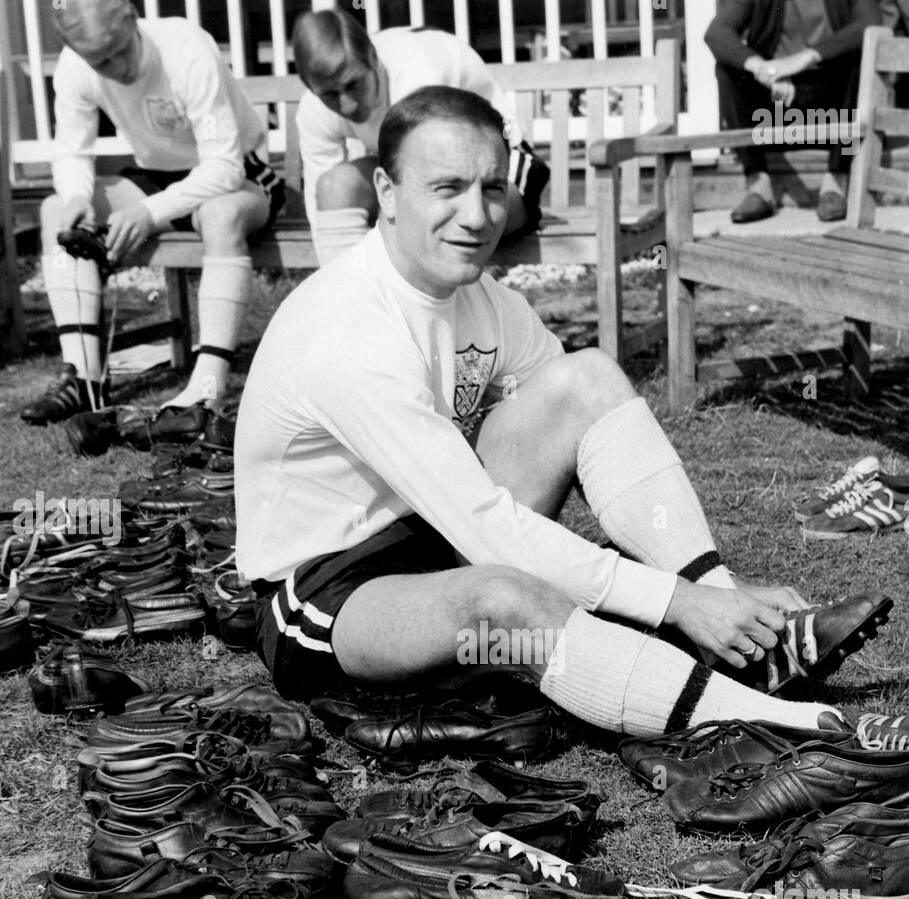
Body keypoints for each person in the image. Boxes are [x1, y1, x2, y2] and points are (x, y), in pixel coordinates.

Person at [235, 85, 865, 742]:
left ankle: (740, 636)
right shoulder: (349, 330)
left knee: (586, 378)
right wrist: (675, 603)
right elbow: (489, 533)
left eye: (491, 188)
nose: (476, 215)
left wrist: (703, 589)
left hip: (429, 529)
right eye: (445, 188)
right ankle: (787, 724)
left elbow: (585, 421)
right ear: (387, 193)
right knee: (506, 599)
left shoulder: (477, 296)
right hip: (327, 592)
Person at [21, 0, 285, 426]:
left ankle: (208, 387)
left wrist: (148, 212)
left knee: (219, 215)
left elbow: (224, 166)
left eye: (119, 51)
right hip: (155, 178)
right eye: (99, 62)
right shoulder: (76, 65)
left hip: (238, 177)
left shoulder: (185, 47)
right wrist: (76, 197)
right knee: (56, 211)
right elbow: (71, 151)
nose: (115, 68)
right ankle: (84, 377)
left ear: (130, 17)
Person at [292, 10, 540, 265]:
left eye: (354, 85)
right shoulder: (313, 108)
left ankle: (411, 301)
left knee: (432, 217)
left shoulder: (419, 72)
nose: (347, 106)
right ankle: (349, 300)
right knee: (335, 186)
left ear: (372, 57)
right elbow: (320, 206)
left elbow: (434, 187)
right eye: (329, 95)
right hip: (424, 182)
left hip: (500, 172)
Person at [705, 0, 881, 224]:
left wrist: (805, 58)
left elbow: (871, 24)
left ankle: (836, 183)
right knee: (728, 70)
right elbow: (716, 32)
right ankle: (758, 186)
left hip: (832, 109)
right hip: (775, 111)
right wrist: (763, 69)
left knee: (859, 65)